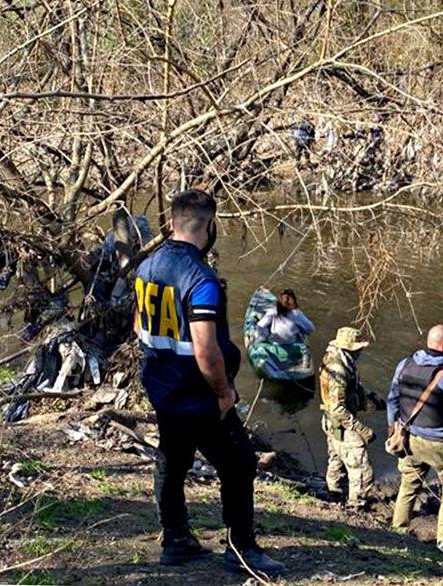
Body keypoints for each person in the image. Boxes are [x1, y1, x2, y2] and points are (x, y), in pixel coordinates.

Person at [133, 189, 285, 576]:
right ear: (211, 225)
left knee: (173, 459)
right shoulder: (202, 279)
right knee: (238, 464)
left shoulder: (146, 267)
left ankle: (176, 540)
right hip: (198, 394)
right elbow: (207, 351)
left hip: (162, 386)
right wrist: (224, 392)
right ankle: (241, 549)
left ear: (170, 223)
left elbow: (139, 327)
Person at [388, 324, 443, 554]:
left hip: (409, 438)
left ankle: (397, 531)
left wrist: (393, 430)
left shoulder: (403, 365)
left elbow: (392, 401)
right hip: (440, 445)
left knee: (409, 484)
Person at [319, 326, 377, 508]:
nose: (361, 351)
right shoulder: (338, 368)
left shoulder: (340, 360)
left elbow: (352, 389)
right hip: (340, 423)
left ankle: (334, 495)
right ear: (351, 348)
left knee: (337, 459)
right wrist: (361, 429)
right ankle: (356, 506)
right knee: (361, 468)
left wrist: (374, 400)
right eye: (358, 348)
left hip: (331, 422)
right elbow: (337, 407)